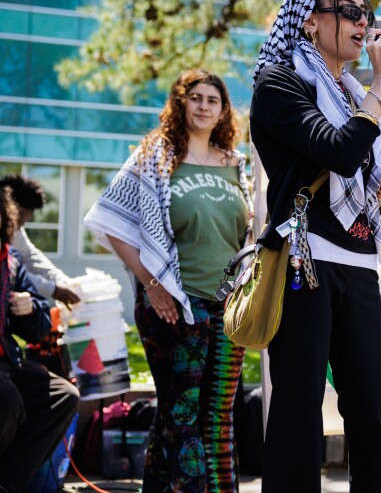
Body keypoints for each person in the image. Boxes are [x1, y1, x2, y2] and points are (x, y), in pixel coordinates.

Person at [250, 0, 381, 492]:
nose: (362, 22)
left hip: (357, 258)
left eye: (365, 12)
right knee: (299, 409)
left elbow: (355, 174)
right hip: (303, 259)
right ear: (310, 21)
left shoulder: (351, 93)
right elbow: (337, 150)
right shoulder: (279, 84)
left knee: (370, 405)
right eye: (348, 11)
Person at [84, 69, 252, 491]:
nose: (203, 106)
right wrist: (152, 284)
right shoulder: (156, 156)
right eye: (195, 97)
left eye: (212, 100)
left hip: (229, 305)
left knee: (217, 414)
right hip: (176, 303)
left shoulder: (236, 163)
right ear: (181, 103)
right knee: (184, 413)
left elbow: (246, 235)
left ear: (223, 110)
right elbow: (112, 223)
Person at [0, 186, 80, 493]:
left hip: (6, 363)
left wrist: (30, 307)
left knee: (64, 395)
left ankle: (7, 483)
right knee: (6, 398)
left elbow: (37, 327)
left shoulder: (11, 261)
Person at [0, 174, 81, 306]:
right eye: (19, 220)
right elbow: (15, 273)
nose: (20, 226)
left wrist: (61, 280)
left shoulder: (16, 231)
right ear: (8, 208)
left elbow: (30, 256)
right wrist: (54, 290)